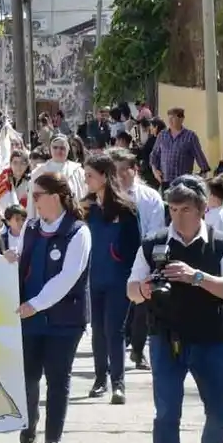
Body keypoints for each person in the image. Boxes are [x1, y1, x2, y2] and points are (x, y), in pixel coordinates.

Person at [126, 178, 223, 443]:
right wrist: (145, 288)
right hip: (166, 339)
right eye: (174, 210)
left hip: (210, 339)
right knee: (166, 416)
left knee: (219, 413)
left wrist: (197, 276)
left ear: (202, 211)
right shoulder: (153, 244)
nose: (179, 218)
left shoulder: (221, 245)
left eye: (187, 210)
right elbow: (131, 290)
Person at [6, 172, 90, 443]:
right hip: (29, 318)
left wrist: (37, 303)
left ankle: (53, 439)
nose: (34, 201)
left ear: (55, 196)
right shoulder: (30, 227)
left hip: (64, 320)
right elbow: (20, 260)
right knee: (28, 377)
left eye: (38, 195)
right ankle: (30, 421)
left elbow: (68, 277)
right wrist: (8, 260)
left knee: (58, 379)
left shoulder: (78, 231)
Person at [82, 154, 141, 404]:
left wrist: (131, 275)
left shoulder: (126, 208)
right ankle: (100, 379)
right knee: (97, 330)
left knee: (113, 330)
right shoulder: (86, 208)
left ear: (105, 176)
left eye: (90, 176)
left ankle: (118, 383)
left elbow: (135, 246)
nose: (86, 181)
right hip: (93, 279)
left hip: (118, 279)